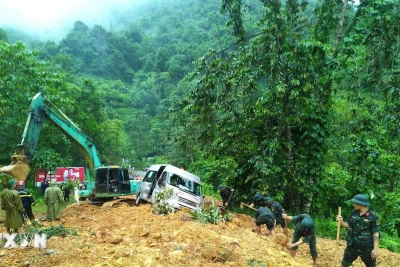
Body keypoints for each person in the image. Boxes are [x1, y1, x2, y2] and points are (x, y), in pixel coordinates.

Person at [336, 194, 380, 267]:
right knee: (344, 264)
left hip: (366, 248)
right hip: (352, 246)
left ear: (361, 204)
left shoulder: (373, 217)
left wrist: (375, 249)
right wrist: (341, 221)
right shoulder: (354, 213)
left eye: (355, 203)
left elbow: (375, 233)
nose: (354, 204)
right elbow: (348, 226)